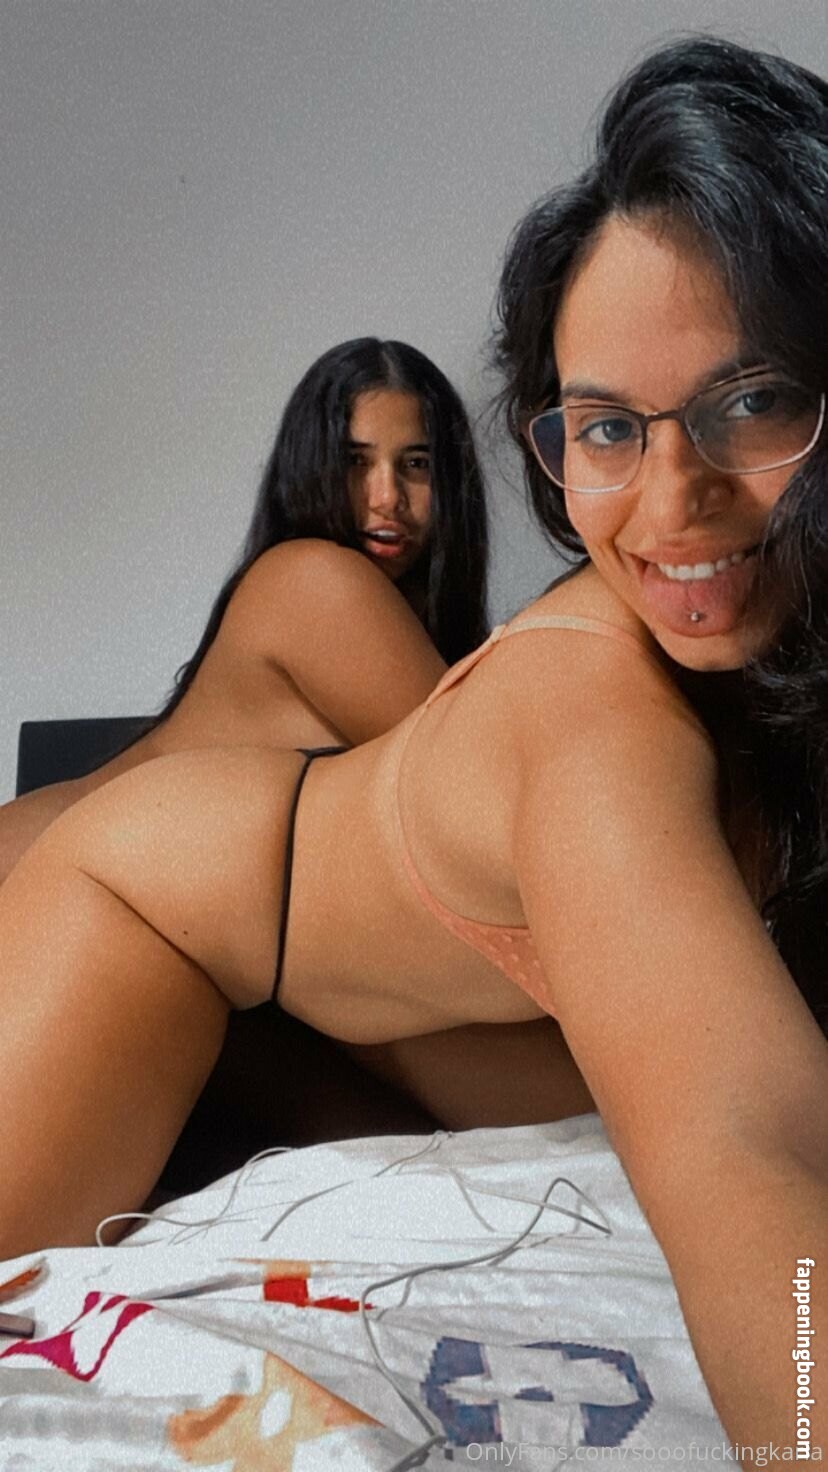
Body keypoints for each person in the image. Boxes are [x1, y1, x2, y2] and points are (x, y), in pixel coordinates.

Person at [0, 34, 826, 1453]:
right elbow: (754, 1153)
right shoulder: (581, 708)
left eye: (752, 399)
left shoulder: (735, 651)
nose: (671, 500)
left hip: (328, 1005)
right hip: (143, 906)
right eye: (606, 428)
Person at [0, 336, 488, 885]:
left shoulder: (387, 615)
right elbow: (483, 790)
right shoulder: (314, 579)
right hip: (34, 877)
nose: (387, 496)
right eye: (356, 462)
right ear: (310, 468)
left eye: (417, 464)